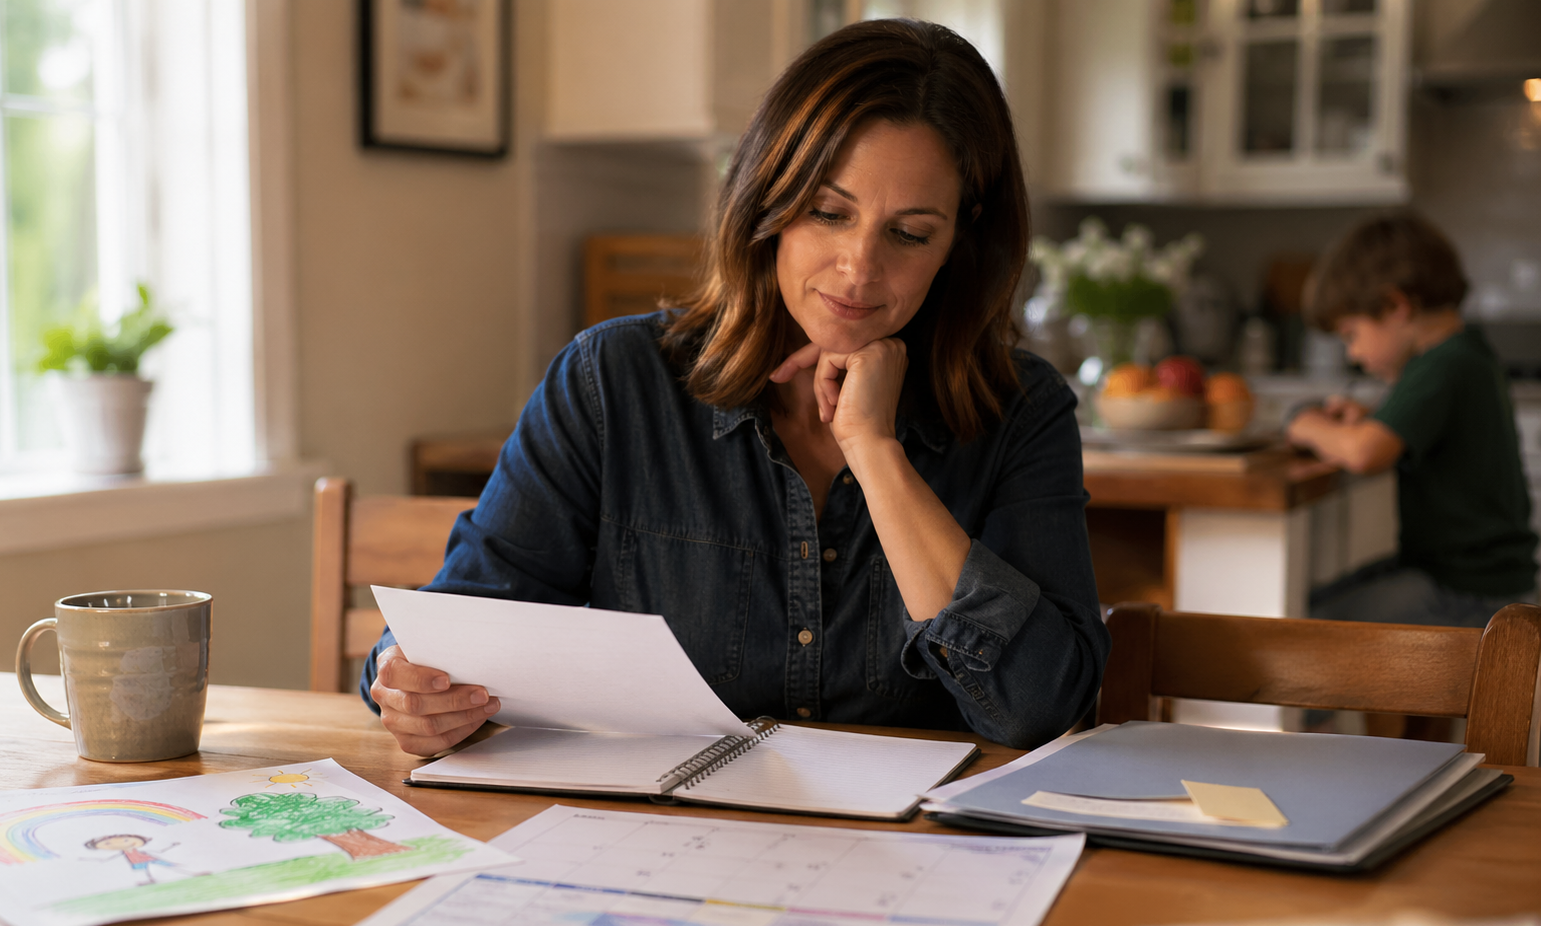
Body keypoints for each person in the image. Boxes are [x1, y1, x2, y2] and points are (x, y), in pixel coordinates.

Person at [361, 19, 1108, 754]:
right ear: (769, 203)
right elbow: (469, 618)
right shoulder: (612, 380)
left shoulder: (1021, 409)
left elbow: (1039, 711)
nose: (859, 268)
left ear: (959, 242)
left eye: (909, 233)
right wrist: (405, 682)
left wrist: (876, 451)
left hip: (926, 861)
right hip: (664, 847)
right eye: (828, 212)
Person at [1287, 212, 1538, 629]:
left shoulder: (1442, 365)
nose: (1352, 354)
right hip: (1483, 585)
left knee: (1304, 623)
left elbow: (1365, 451)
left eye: (1351, 334)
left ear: (1395, 306)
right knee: (1304, 604)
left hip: (1472, 596)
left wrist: (1300, 421)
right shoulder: (1464, 353)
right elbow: (1411, 429)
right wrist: (1373, 418)